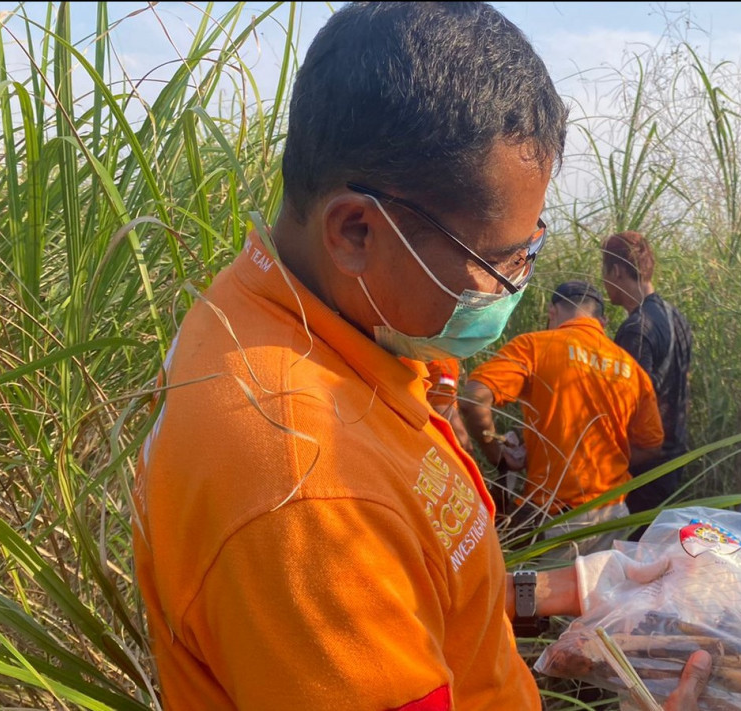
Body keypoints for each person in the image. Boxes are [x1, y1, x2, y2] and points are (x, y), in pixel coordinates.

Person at [131, 4, 709, 709]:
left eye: (531, 250)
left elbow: (413, 578)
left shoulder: (307, 323)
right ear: (355, 231)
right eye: (499, 261)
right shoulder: (307, 488)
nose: (514, 287)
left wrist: (569, 588)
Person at [462, 281, 665, 556]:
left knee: (537, 584)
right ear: (602, 321)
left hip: (558, 518)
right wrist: (606, 458)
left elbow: (474, 399)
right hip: (613, 515)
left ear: (552, 312)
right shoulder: (632, 369)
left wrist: (498, 456)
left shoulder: (534, 346)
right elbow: (651, 445)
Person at [601, 230, 694, 523]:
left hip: (645, 464)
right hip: (673, 455)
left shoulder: (637, 329)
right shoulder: (675, 316)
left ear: (616, 271)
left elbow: (630, 405)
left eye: (604, 272)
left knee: (633, 544)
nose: (604, 282)